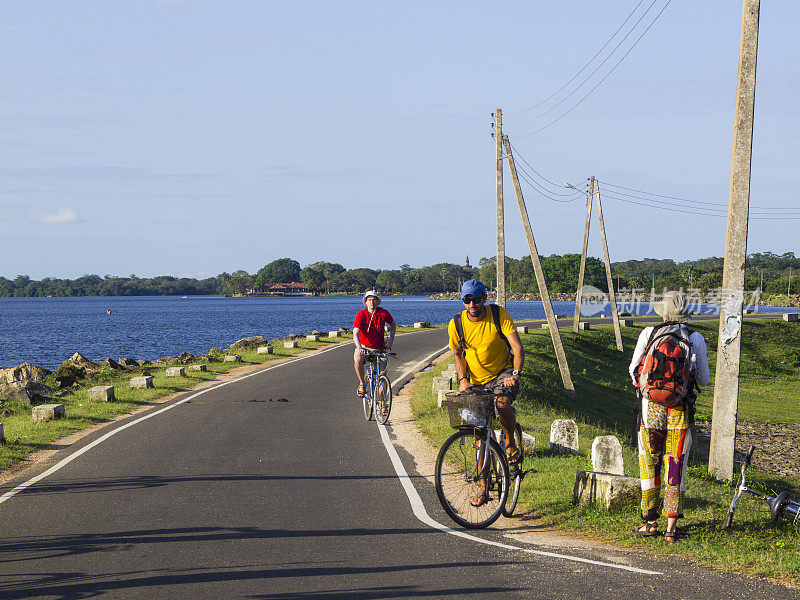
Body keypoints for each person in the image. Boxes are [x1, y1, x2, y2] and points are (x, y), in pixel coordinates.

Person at [629, 290, 710, 542]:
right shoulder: (695, 338)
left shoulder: (649, 334)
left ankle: (649, 521)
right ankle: (671, 528)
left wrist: (650, 389)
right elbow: (705, 380)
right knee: (676, 462)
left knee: (649, 460)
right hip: (680, 408)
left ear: (662, 313)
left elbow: (633, 371)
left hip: (650, 406)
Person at [448, 279, 525, 507]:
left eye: (476, 299)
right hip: (476, 381)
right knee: (480, 437)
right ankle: (483, 488)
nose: (472, 304)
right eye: (467, 300)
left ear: (484, 298)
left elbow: (518, 348)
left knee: (502, 404)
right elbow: (458, 354)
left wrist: (516, 373)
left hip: (503, 372)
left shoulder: (498, 315)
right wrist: (463, 380)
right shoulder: (457, 323)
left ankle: (510, 443)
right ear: (463, 301)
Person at [353, 290, 395, 397]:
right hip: (364, 347)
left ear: (377, 301)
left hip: (379, 348)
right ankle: (362, 384)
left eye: (374, 300)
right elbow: (355, 334)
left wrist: (390, 340)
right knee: (358, 359)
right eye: (369, 300)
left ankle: (383, 404)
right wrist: (359, 348)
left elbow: (393, 324)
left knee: (382, 376)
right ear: (366, 302)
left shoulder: (383, 313)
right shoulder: (361, 314)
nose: (372, 302)